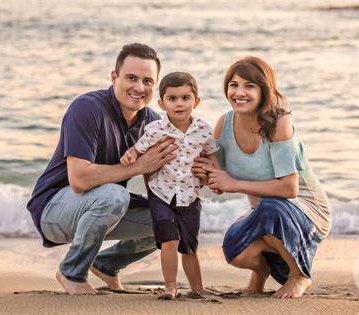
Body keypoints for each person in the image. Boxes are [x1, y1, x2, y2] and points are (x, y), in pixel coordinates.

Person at [26, 43, 179, 295]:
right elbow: (79, 179)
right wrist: (138, 166)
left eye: (148, 81)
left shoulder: (152, 123)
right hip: (53, 210)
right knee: (114, 195)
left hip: (102, 209)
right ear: (114, 77)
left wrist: (207, 172)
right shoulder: (87, 108)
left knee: (172, 216)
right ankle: (72, 272)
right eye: (131, 78)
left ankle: (107, 264)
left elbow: (170, 173)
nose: (139, 87)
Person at [193, 56, 332, 298]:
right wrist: (206, 176)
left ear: (264, 90)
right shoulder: (224, 123)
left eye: (249, 86)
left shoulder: (279, 123)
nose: (239, 92)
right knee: (234, 248)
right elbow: (219, 178)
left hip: (306, 212)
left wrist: (233, 184)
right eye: (234, 85)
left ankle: (299, 275)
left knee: (270, 209)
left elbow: (290, 189)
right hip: (265, 216)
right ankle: (261, 271)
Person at [120, 72, 219, 299]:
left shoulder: (204, 130)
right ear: (162, 103)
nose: (180, 104)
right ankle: (170, 286)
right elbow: (139, 149)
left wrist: (215, 178)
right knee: (169, 239)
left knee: (190, 246)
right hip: (161, 193)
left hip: (189, 197)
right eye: (172, 99)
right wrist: (129, 155)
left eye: (186, 98)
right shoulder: (155, 129)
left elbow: (213, 158)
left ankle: (197, 288)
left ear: (196, 101)